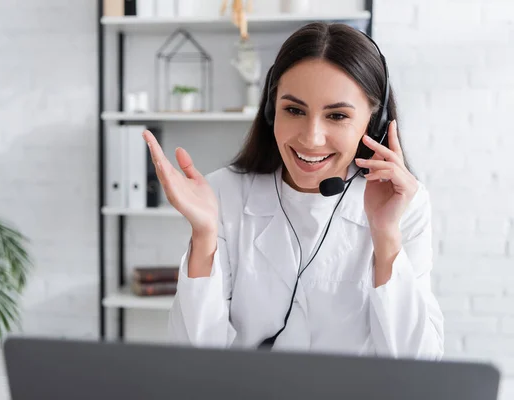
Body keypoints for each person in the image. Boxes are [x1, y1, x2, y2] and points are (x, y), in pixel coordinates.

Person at [142, 22, 444, 359]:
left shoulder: (405, 204)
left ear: (373, 121)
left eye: (338, 116)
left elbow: (419, 363)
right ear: (272, 111)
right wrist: (204, 235)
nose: (311, 138)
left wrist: (386, 235)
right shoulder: (223, 194)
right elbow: (193, 357)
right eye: (294, 110)